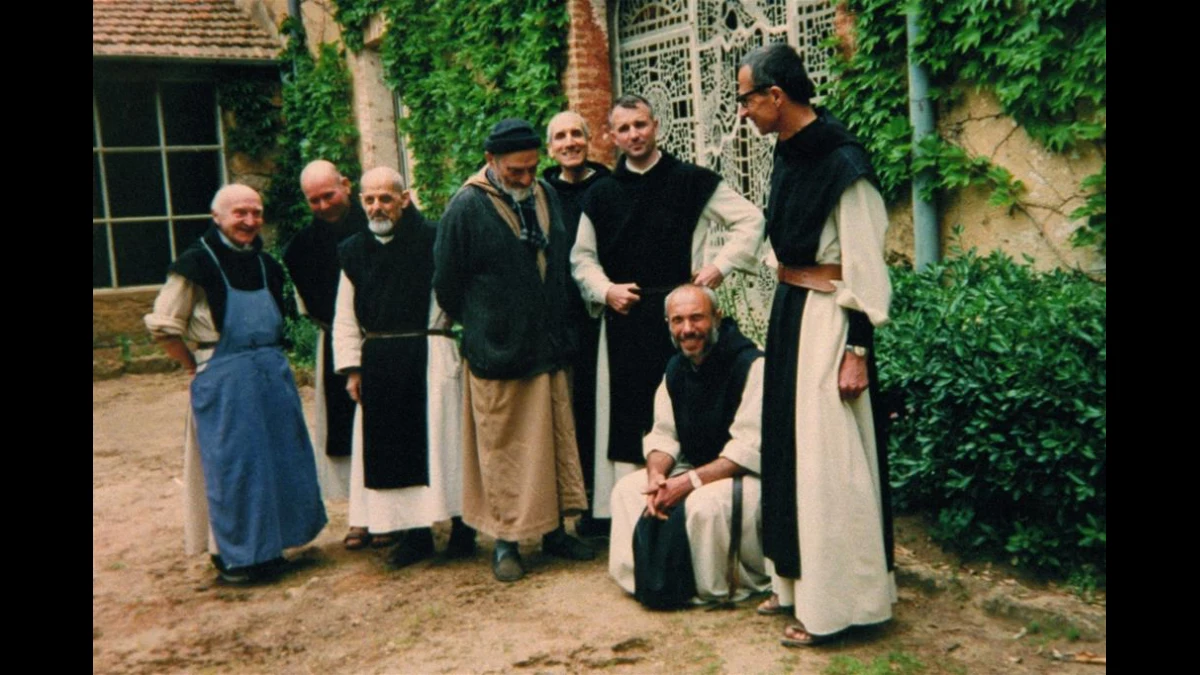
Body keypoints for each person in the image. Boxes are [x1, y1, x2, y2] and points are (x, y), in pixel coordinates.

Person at [736, 43, 895, 646]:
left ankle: (837, 604)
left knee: (828, 464)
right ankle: (794, 585)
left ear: (776, 95)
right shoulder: (788, 151)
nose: (743, 111)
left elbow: (865, 262)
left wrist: (858, 350)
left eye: (747, 99)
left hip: (830, 323)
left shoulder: (842, 161)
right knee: (789, 455)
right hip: (792, 315)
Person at [571, 94, 764, 523]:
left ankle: (688, 500)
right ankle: (629, 508)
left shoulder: (692, 181)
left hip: (684, 320)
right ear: (612, 136)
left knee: (685, 408)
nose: (634, 134)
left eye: (640, 124)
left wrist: (719, 267)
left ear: (656, 126)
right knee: (626, 417)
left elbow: (750, 220)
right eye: (624, 128)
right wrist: (606, 290)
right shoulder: (600, 194)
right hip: (625, 321)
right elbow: (581, 259)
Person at [434, 118, 592, 582]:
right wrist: (490, 321)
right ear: (491, 161)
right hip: (497, 353)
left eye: (531, 168)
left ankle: (554, 532)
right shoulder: (466, 207)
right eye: (515, 171)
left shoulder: (545, 195)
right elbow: (447, 285)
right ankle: (506, 542)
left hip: (546, 347)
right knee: (503, 450)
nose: (525, 178)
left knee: (552, 443)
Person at [145, 184, 327, 584]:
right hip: (225, 378)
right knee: (234, 468)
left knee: (279, 460)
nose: (249, 221)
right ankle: (234, 556)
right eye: (239, 213)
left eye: (256, 213)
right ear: (217, 217)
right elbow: (164, 327)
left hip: (270, 375)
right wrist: (194, 366)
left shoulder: (266, 264)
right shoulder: (194, 265)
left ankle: (273, 546)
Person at [332, 167, 475, 567]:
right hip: (380, 362)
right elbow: (345, 317)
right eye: (369, 199)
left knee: (445, 444)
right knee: (393, 449)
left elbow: (458, 290)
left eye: (386, 198)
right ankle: (415, 535)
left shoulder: (433, 239)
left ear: (405, 199)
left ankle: (463, 527)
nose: (377, 207)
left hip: (431, 352)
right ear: (361, 202)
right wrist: (353, 369)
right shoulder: (353, 251)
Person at [608, 284, 769, 602]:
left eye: (697, 318)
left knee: (703, 505)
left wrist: (688, 482)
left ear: (717, 318)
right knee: (628, 490)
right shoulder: (676, 368)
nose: (687, 329)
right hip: (696, 470)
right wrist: (657, 476)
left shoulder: (752, 366)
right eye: (677, 320)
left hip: (750, 476)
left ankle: (707, 587)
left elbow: (746, 449)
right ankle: (645, 580)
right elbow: (663, 433)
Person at [541, 111, 611, 537]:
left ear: (589, 139)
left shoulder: (608, 188)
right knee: (563, 412)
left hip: (600, 317)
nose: (569, 142)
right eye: (560, 137)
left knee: (597, 408)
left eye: (576, 134)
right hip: (558, 319)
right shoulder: (541, 195)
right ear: (550, 148)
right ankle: (569, 501)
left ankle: (600, 505)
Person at [282, 160, 364, 518]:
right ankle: (359, 515)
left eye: (328, 195)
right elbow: (310, 306)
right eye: (314, 200)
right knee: (344, 430)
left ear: (345, 184)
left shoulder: (375, 221)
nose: (323, 205)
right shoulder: (300, 247)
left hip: (388, 339)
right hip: (334, 340)